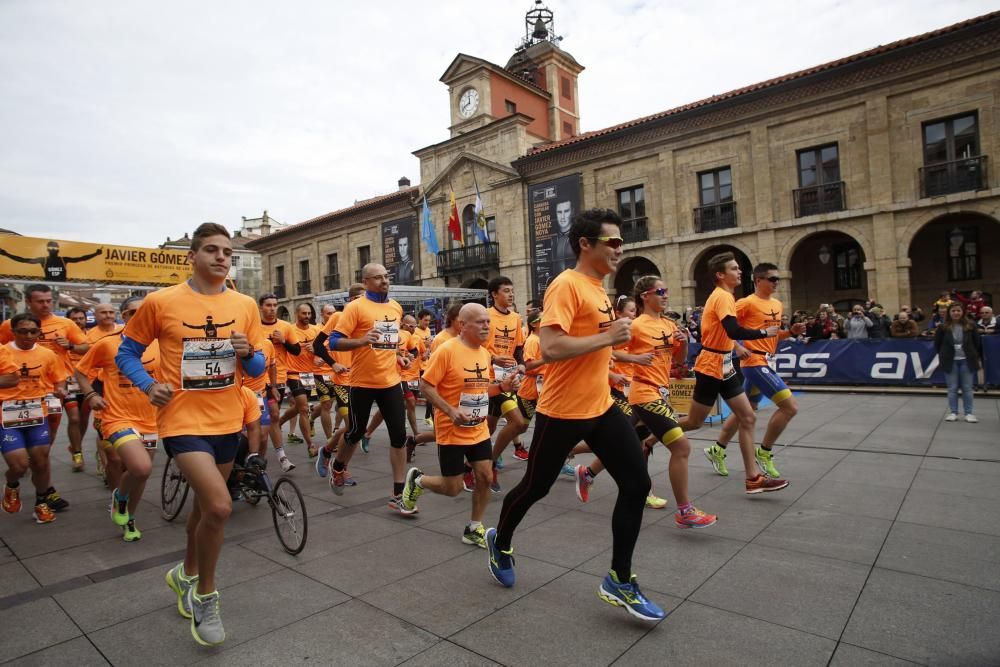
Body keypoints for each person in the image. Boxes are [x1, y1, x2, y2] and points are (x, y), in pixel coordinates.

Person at [485, 208, 666, 622]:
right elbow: (550, 348)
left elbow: (594, 346)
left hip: (601, 406)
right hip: (563, 412)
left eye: (622, 241)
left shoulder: (598, 288)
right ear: (586, 244)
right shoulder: (567, 285)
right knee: (535, 487)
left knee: (637, 483)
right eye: (613, 242)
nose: (621, 248)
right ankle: (502, 540)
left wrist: (616, 360)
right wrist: (608, 336)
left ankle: (619, 579)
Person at [116, 223, 266, 647]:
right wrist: (148, 385)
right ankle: (205, 595)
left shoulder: (245, 305)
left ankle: (184, 574)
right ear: (193, 256)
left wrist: (248, 353)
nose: (222, 257)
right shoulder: (161, 302)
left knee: (203, 510)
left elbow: (256, 371)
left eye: (227, 252)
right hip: (181, 422)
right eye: (212, 250)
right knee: (220, 507)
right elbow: (125, 352)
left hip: (227, 421)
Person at [583, 277, 716, 528]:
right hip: (644, 392)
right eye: (661, 291)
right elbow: (608, 351)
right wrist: (636, 359)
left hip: (661, 391)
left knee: (631, 443)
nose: (666, 295)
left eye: (667, 291)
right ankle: (685, 511)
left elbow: (679, 359)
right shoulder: (636, 325)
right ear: (645, 296)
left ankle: (588, 472)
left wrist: (684, 343)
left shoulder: (668, 323)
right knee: (681, 447)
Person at [401, 303, 521, 542]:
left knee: (485, 476)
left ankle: (474, 527)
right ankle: (418, 480)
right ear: (463, 325)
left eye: (488, 321)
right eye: (480, 321)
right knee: (452, 487)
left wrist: (502, 387)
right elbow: (426, 385)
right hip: (451, 429)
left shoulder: (485, 353)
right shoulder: (447, 350)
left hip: (477, 428)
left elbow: (481, 389)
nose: (486, 325)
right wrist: (449, 410)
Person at [678, 252, 788, 494]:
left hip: (724, 365)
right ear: (720, 275)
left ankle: (753, 479)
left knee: (748, 417)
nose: (739, 272)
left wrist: (736, 347)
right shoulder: (722, 297)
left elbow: (727, 334)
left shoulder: (725, 296)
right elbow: (733, 329)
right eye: (734, 268)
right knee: (695, 422)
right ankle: (653, 435)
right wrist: (763, 334)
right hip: (710, 365)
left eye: (739, 268)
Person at [707, 264, 806, 479]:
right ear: (758, 280)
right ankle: (765, 451)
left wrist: (789, 332)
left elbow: (771, 336)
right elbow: (723, 329)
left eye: (777, 279)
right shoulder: (745, 303)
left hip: (768, 361)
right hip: (753, 362)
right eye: (772, 279)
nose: (776, 282)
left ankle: (717, 449)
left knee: (746, 411)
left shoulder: (777, 304)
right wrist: (738, 346)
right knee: (789, 407)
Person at [326, 264, 411, 510]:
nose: (384, 281)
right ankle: (339, 466)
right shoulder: (355, 308)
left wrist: (398, 356)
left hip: (391, 381)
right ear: (365, 281)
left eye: (386, 276)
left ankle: (398, 493)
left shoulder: (395, 307)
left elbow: (390, 342)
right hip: (361, 382)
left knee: (399, 436)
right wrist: (361, 341)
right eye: (378, 277)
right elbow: (333, 342)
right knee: (354, 432)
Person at [74, 296, 158, 541]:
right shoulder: (107, 344)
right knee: (141, 467)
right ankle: (120, 496)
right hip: (117, 416)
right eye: (133, 312)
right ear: (124, 316)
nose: (140, 317)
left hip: (150, 418)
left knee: (141, 474)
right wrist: (90, 395)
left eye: (145, 313)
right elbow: (80, 372)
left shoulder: (161, 344)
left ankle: (129, 518)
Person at [0, 284, 89, 480]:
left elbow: (86, 347)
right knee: (24, 432)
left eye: (49, 300)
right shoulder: (10, 324)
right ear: (29, 301)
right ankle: (28, 465)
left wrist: (71, 346)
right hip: (18, 389)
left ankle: (44, 465)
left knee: (50, 432)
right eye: (40, 301)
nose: (46, 305)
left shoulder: (65, 323)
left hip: (56, 385)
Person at [1, 313, 70, 524]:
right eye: (22, 331)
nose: (28, 335)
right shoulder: (3, 352)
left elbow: (59, 380)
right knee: (20, 465)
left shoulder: (48, 354)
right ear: (13, 332)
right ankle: (12, 484)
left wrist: (60, 390)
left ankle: (41, 503)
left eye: (33, 331)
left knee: (40, 463)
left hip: (37, 413)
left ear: (39, 332)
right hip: (6, 416)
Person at [313, 284, 364, 485]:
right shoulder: (338, 318)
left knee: (356, 428)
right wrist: (333, 363)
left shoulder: (366, 321)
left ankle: (326, 451)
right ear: (351, 300)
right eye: (360, 298)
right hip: (343, 380)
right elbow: (317, 345)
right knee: (352, 426)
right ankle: (340, 467)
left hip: (362, 380)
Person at [483, 276, 526, 492]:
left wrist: (520, 365)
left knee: (488, 427)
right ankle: (489, 463)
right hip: (488, 378)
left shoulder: (516, 318)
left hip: (508, 379)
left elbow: (518, 348)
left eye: (512, 291)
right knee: (518, 423)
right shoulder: (485, 316)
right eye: (506, 291)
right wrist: (493, 359)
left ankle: (476, 464)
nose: (511, 294)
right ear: (494, 294)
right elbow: (475, 346)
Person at [258, 293, 301, 469]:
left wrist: (283, 341)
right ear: (261, 307)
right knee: (272, 416)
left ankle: (275, 456)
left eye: (275, 305)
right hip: (259, 380)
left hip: (280, 378)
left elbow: (297, 351)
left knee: (272, 419)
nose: (272, 308)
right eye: (268, 305)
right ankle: (275, 457)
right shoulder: (253, 326)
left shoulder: (285, 327)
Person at [279, 303, 320, 461]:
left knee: (298, 407)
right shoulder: (290, 330)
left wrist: (316, 351)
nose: (307, 316)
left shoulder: (315, 330)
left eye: (309, 313)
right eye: (304, 313)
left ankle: (280, 421)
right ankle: (310, 446)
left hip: (309, 375)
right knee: (303, 408)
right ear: (297, 313)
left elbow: (322, 351)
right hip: (293, 373)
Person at [934, 302, 981, 423]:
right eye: (953, 311)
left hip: (967, 360)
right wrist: (944, 355)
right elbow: (937, 345)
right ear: (949, 313)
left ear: (963, 312)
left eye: (958, 310)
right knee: (952, 388)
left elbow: (977, 343)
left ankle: (969, 413)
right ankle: (953, 412)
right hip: (950, 361)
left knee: (967, 388)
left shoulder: (971, 325)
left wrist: (975, 356)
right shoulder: (943, 327)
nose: (956, 313)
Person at [0, 241, 102, 282]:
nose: (53, 250)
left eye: (55, 248)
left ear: (58, 250)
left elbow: (81, 258)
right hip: (48, 284)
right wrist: (7, 254)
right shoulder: (43, 260)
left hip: (62, 284)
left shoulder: (63, 259)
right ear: (47, 249)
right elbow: (23, 260)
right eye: (51, 248)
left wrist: (95, 254)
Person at [551, 200, 575, 274]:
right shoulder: (552, 240)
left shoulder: (578, 237)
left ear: (572, 212)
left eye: (566, 211)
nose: (563, 217)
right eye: (559, 212)